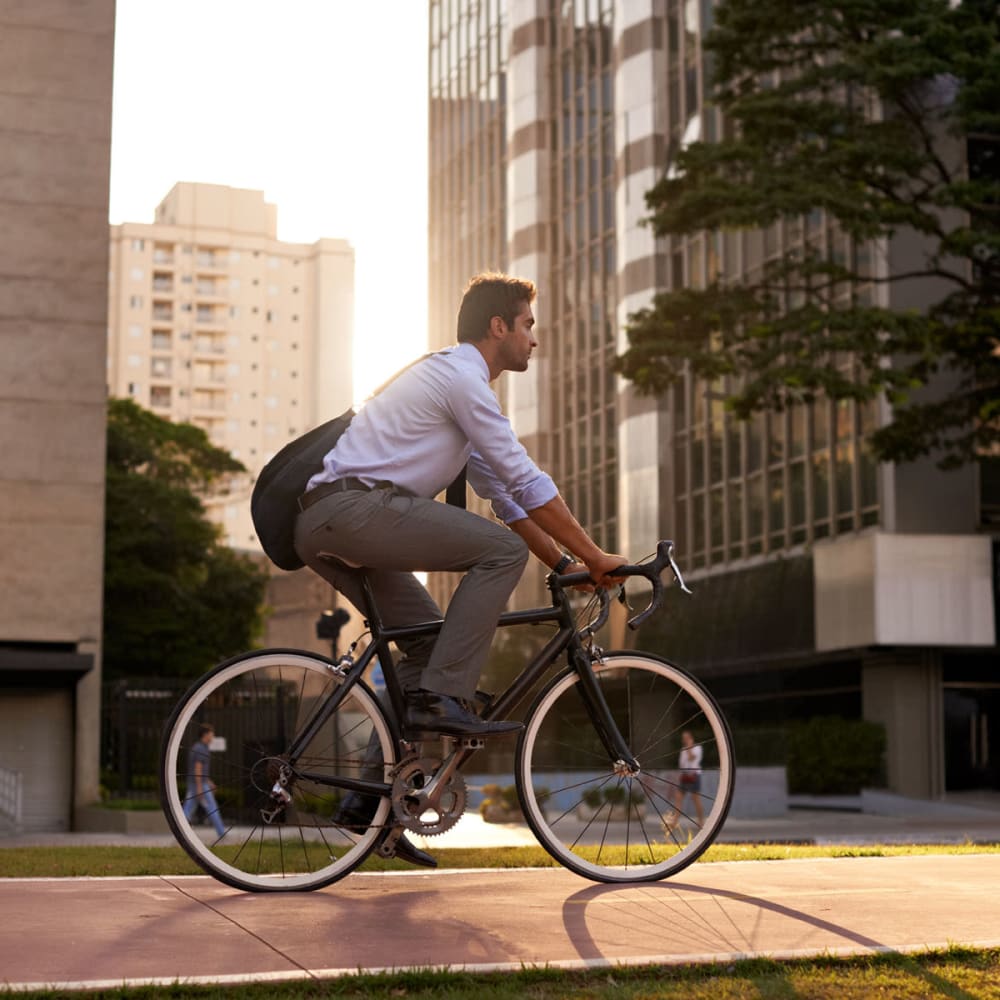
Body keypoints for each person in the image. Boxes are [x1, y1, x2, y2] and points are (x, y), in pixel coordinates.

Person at [293, 272, 625, 867]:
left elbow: (508, 497)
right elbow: (526, 477)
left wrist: (570, 568)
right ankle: (446, 698)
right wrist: (599, 556)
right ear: (498, 327)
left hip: (334, 520)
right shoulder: (461, 378)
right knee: (500, 554)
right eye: (528, 325)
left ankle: (372, 815)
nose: (534, 339)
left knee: (424, 650)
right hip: (352, 509)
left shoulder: (456, 389)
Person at [183, 723, 227, 839]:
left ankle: (181, 830)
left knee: (188, 808)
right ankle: (221, 832)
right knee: (212, 808)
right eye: (212, 734)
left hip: (198, 783)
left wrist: (209, 782)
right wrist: (199, 787)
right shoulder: (201, 749)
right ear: (205, 735)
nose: (213, 737)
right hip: (198, 784)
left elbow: (200, 770)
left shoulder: (198, 747)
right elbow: (197, 768)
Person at [666, 730, 704, 831]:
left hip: (694, 776)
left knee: (696, 799)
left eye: (687, 738)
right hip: (685, 776)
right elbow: (681, 765)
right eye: (684, 738)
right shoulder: (682, 750)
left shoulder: (697, 748)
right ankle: (674, 822)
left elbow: (692, 758)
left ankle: (701, 822)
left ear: (691, 738)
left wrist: (689, 748)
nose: (685, 740)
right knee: (678, 798)